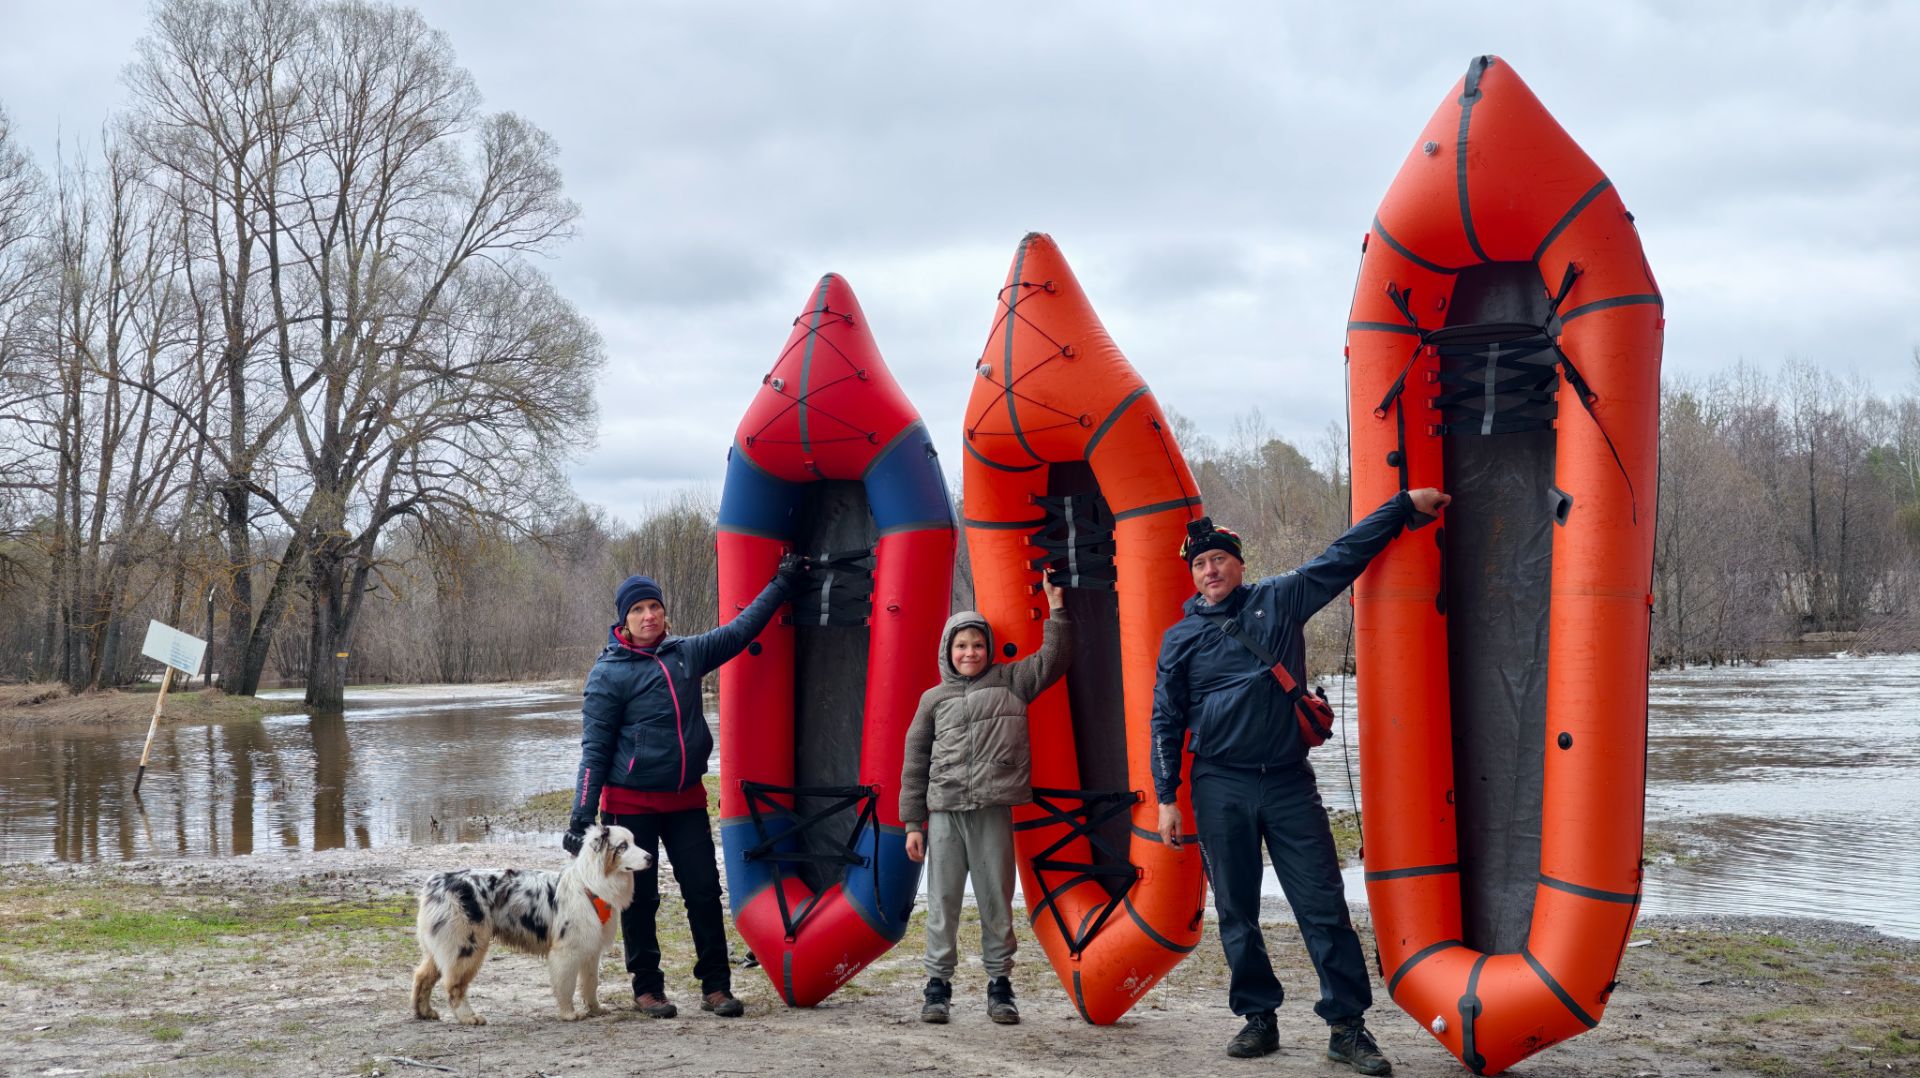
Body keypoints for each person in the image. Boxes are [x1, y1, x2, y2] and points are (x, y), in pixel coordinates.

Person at [1151, 488, 1451, 1074]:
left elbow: (1344, 555)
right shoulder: (1179, 638)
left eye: (1219, 559)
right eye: (1200, 564)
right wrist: (1167, 797)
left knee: (1322, 905)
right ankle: (1257, 1017)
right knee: (1236, 910)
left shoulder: (1280, 599)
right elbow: (1164, 719)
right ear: (1193, 576)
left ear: (1239, 563)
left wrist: (1401, 506)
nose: (1210, 571)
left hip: (1289, 782)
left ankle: (1348, 1027)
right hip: (1218, 784)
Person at [564, 555, 808, 1019]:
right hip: (630, 805)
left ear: (664, 613)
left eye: (654, 607)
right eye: (637, 610)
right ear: (624, 619)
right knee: (641, 899)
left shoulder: (686, 654)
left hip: (685, 800)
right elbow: (594, 751)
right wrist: (581, 815)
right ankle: (647, 988)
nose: (648, 616)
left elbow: (740, 631)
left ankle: (716, 986)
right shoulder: (608, 674)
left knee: (702, 890)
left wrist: (781, 583)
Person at [898, 579, 1070, 1026]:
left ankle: (1000, 986)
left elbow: (1054, 660)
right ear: (947, 651)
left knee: (996, 901)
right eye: (961, 646)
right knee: (943, 903)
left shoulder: (1012, 682)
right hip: (944, 815)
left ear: (988, 647)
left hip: (993, 811)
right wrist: (913, 823)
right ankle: (937, 987)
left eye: (977, 644)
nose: (970, 653)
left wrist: (1056, 609)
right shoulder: (932, 700)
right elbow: (915, 761)